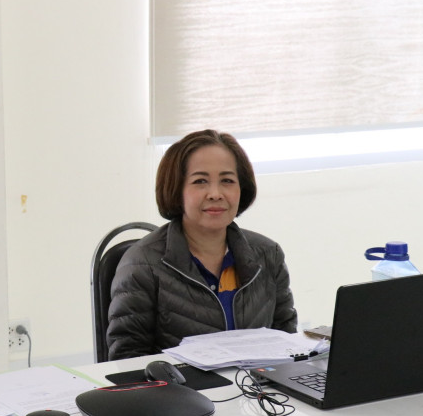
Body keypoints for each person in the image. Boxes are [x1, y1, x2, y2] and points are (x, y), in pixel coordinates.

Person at [106, 129, 297, 360]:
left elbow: (287, 341)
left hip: (258, 382)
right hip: (177, 384)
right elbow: (127, 359)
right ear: (177, 190)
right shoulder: (141, 264)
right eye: (200, 181)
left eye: (227, 181)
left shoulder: (268, 254)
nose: (215, 194)